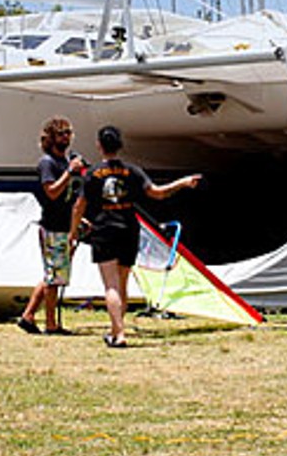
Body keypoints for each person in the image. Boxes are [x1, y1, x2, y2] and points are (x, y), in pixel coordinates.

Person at [68, 125, 201, 349]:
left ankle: (119, 334)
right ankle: (116, 329)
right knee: (122, 283)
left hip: (105, 229)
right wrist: (183, 182)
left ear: (99, 145)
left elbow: (79, 206)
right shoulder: (132, 171)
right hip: (129, 227)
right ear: (119, 145)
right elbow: (157, 193)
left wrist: (73, 232)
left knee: (110, 286)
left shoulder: (92, 174)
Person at [17, 116, 86, 335]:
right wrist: (70, 172)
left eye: (69, 133)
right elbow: (52, 192)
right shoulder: (47, 163)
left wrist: (78, 220)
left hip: (64, 224)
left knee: (52, 275)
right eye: (61, 133)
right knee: (54, 277)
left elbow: (68, 197)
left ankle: (28, 316)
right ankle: (50, 324)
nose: (66, 137)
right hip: (52, 227)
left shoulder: (65, 161)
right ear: (51, 137)